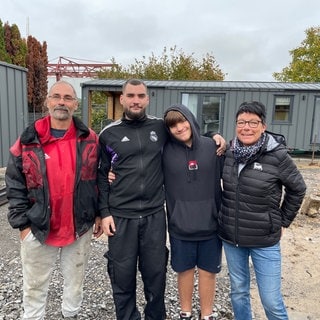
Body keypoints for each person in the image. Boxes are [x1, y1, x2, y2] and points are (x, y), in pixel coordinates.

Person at [97, 79, 226, 320]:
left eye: (141, 96)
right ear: (122, 98)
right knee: (122, 275)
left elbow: (187, 132)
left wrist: (214, 135)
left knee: (155, 275)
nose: (136, 100)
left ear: (148, 99)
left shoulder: (160, 128)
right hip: (122, 216)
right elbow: (101, 175)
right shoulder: (108, 134)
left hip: (155, 214)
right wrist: (104, 212)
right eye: (131, 95)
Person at [5, 80, 102, 320]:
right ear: (47, 102)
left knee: (75, 283)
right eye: (56, 96)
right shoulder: (27, 140)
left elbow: (99, 178)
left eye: (68, 98)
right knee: (35, 286)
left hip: (78, 226)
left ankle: (71, 315)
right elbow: (14, 182)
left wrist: (98, 213)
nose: (62, 102)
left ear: (75, 105)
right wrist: (23, 224)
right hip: (38, 227)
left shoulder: (90, 139)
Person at [218, 101, 307, 320]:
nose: (246, 127)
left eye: (252, 122)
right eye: (241, 122)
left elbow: (298, 188)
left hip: (264, 240)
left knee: (271, 301)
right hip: (232, 239)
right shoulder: (228, 152)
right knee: (238, 292)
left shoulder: (277, 156)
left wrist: (284, 221)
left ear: (263, 126)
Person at [162, 104, 224, 320]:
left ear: (190, 119)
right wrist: (113, 173)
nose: (179, 128)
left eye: (182, 121)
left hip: (211, 224)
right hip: (180, 225)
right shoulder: (164, 151)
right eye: (173, 125)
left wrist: (216, 136)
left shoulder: (213, 147)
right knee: (185, 271)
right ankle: (185, 312)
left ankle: (207, 314)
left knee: (208, 273)